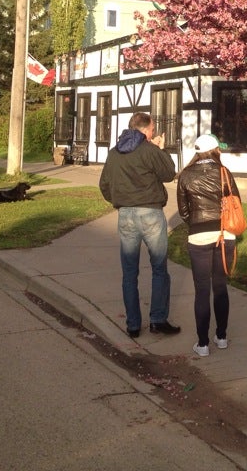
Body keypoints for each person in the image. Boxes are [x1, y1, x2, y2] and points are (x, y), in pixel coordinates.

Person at [99, 112, 181, 339]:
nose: (153, 133)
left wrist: (120, 200)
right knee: (159, 269)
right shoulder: (149, 150)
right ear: (145, 129)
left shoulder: (114, 152)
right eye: (152, 129)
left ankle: (133, 325)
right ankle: (158, 320)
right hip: (150, 212)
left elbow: (104, 184)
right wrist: (161, 149)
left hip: (126, 214)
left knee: (129, 272)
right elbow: (169, 173)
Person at [175, 134, 239, 357]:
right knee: (220, 286)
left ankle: (202, 344)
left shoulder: (185, 175)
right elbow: (236, 202)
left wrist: (196, 224)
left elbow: (183, 211)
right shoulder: (224, 172)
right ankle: (221, 337)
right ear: (215, 151)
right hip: (224, 233)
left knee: (202, 290)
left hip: (199, 235)